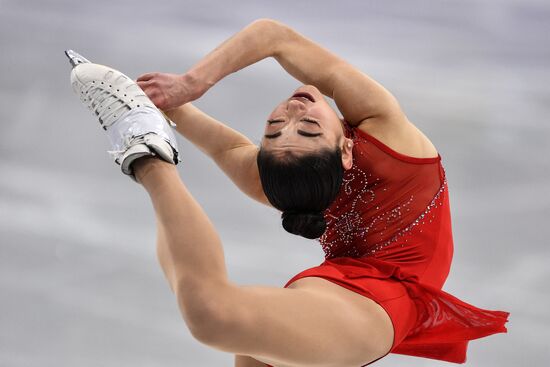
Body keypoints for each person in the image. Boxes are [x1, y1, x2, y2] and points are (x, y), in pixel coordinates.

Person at [67, 18, 509, 367]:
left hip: (340, 297)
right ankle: (146, 151)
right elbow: (231, 146)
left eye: (285, 127)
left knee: (212, 315)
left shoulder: (383, 132)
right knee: (213, 315)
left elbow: (274, 37)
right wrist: (164, 105)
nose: (292, 112)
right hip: (376, 305)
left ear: (348, 151)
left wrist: (187, 88)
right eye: (283, 128)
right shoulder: (290, 174)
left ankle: (145, 148)